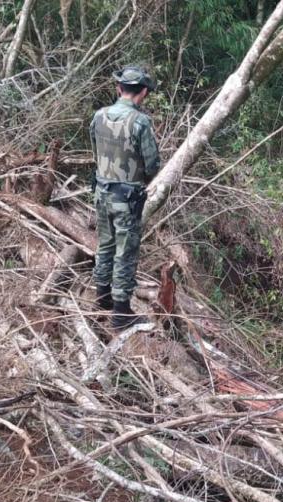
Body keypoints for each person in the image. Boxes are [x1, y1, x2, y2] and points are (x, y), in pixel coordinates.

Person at [89, 66, 160, 329]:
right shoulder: (140, 122)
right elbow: (152, 165)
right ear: (143, 93)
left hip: (102, 191)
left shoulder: (98, 116)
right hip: (127, 197)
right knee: (125, 251)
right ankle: (120, 314)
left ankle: (102, 297)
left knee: (105, 244)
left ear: (119, 89)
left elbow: (95, 153)